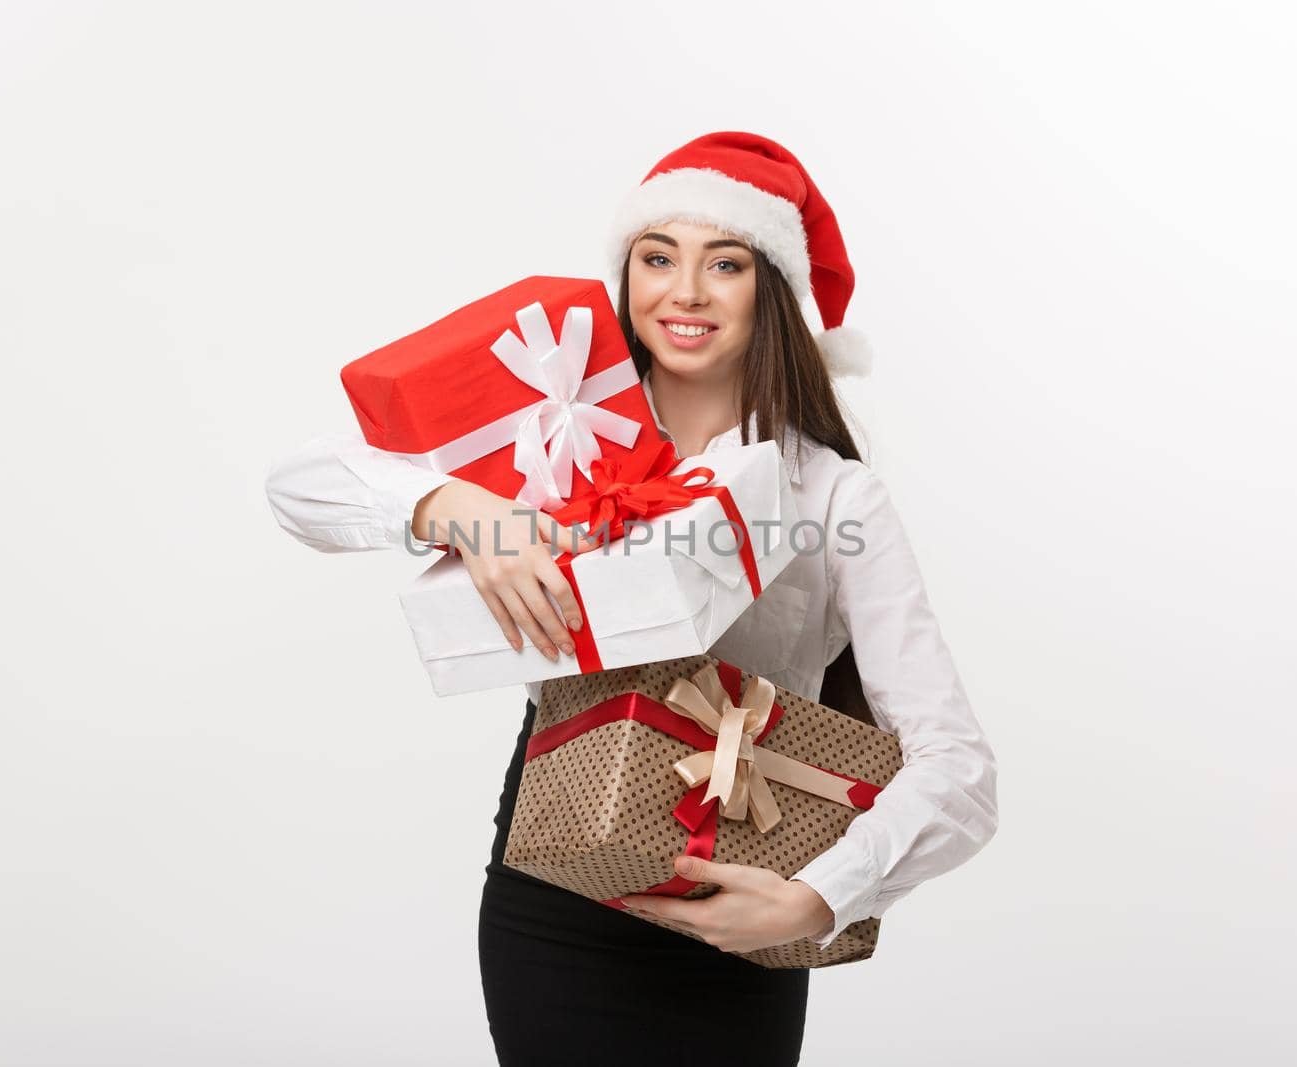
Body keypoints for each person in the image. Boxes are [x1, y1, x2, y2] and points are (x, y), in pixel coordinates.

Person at [264, 131, 999, 1066]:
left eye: (723, 263)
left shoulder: (829, 496)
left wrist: (818, 895)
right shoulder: (555, 437)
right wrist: (461, 509)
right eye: (657, 258)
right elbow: (300, 485)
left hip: (739, 886)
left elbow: (959, 765)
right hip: (551, 884)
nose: (683, 292)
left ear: (768, 291)